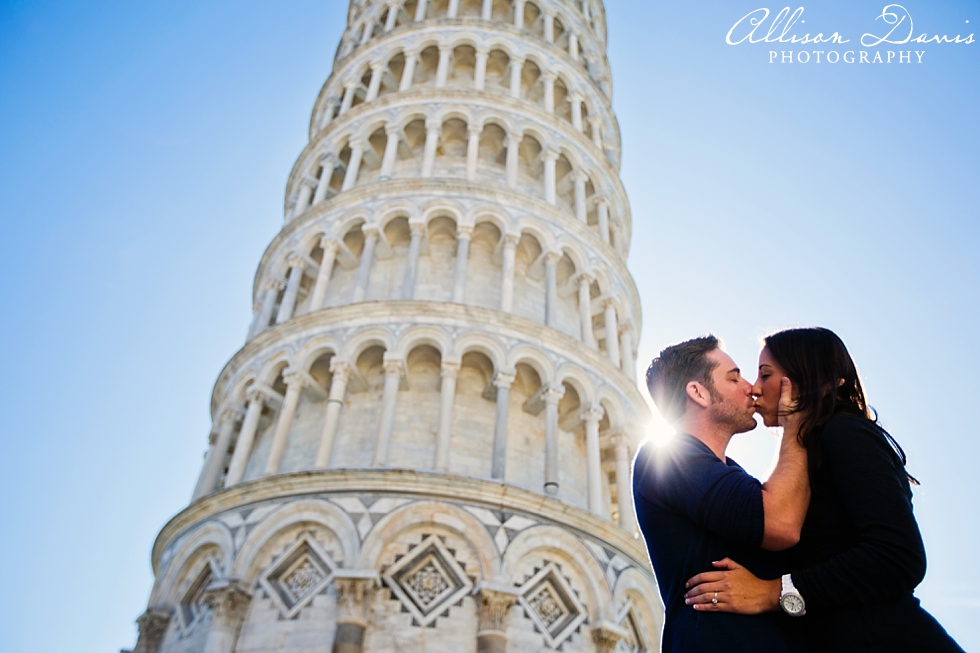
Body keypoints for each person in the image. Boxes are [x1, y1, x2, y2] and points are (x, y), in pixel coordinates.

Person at [683, 328, 963, 652]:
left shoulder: (844, 433)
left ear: (804, 377)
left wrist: (772, 593)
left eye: (766, 374)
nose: (756, 389)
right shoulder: (807, 454)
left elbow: (899, 556)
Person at [635, 335, 810, 652]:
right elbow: (780, 523)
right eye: (734, 378)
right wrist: (795, 425)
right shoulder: (667, 459)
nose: (751, 388)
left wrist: (771, 592)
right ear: (698, 392)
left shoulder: (732, 474)